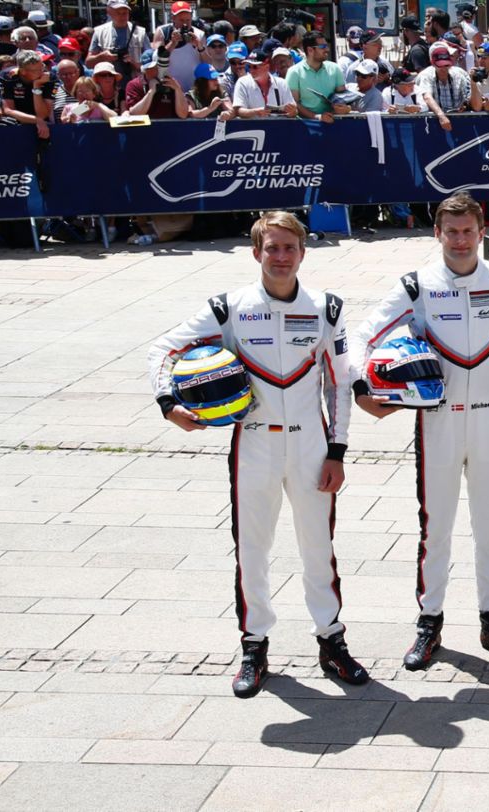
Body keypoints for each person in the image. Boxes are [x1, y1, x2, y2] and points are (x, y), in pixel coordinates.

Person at [148, 211, 367, 697]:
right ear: (256, 252)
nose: (281, 256)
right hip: (254, 442)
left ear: (303, 253)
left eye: (290, 247)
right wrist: (170, 404)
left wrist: (338, 451)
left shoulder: (326, 308)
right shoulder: (228, 308)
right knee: (253, 550)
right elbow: (163, 349)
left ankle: (331, 640)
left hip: (311, 445)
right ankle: (254, 645)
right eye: (272, 248)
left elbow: (340, 385)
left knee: (318, 548)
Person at [350, 193, 489, 669]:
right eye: (450, 231)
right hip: (437, 423)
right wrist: (362, 386)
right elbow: (360, 335)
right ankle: (428, 623)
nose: (459, 240)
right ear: (437, 234)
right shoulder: (417, 285)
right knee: (436, 529)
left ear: (482, 232)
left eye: (467, 231)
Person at [287, 30, 348, 122]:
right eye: (322, 47)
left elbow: (343, 97)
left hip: (334, 123)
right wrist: (317, 117)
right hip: (306, 126)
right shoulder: (294, 72)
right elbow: (294, 103)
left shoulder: (335, 69)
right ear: (310, 50)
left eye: (326, 46)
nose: (327, 49)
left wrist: (344, 107)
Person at [151, 1, 205, 92]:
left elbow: (209, 63)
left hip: (192, 88)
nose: (185, 24)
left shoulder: (199, 34)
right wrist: (172, 43)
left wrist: (200, 47)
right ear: (173, 18)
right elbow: (156, 59)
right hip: (169, 87)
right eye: (181, 20)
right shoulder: (162, 32)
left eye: (188, 20)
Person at [88, 0, 144, 86]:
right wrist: (102, 56)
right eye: (118, 13)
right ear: (109, 12)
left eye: (125, 13)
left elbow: (150, 63)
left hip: (135, 84)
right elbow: (88, 63)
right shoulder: (99, 32)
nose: (122, 16)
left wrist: (132, 62)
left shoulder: (140, 32)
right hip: (107, 86)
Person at [416, 43, 472, 127]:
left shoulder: (460, 73)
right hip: (433, 124)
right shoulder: (425, 75)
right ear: (432, 63)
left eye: (447, 64)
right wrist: (442, 116)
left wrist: (465, 105)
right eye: (440, 65)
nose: (444, 68)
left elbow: (468, 97)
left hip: (461, 123)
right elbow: (427, 97)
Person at [125, 48, 190, 118]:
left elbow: (183, 114)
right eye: (147, 69)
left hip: (167, 127)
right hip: (145, 128)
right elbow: (134, 114)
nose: (150, 71)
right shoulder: (134, 85)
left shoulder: (172, 84)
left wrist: (177, 90)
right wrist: (151, 92)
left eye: (154, 67)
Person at [2, 51, 55, 137]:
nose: (42, 72)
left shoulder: (49, 78)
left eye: (42, 66)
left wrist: (36, 85)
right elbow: (8, 110)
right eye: (36, 70)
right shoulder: (8, 76)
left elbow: (43, 114)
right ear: (23, 71)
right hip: (17, 122)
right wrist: (37, 120)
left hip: (44, 123)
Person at [232, 46, 296, 118]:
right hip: (253, 128)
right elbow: (238, 110)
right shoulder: (242, 82)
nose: (251, 70)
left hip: (277, 127)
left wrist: (292, 112)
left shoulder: (282, 83)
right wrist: (256, 112)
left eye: (255, 67)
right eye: (249, 66)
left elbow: (293, 112)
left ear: (266, 67)